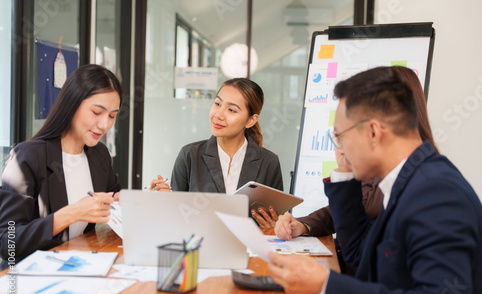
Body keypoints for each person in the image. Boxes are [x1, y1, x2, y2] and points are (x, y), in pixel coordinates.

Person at [267, 66, 482, 294]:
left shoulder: (436, 194)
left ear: (374, 132)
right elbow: (361, 253)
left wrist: (327, 286)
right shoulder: (408, 181)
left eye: (340, 136)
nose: (338, 148)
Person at [271, 66, 439, 240]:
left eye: (343, 135)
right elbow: (355, 234)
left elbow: (360, 210)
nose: (341, 145)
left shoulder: (426, 187)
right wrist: (303, 225)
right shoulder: (396, 167)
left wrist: (346, 175)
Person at [0, 64, 121, 267]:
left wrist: (132, 200)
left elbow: (114, 197)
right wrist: (72, 213)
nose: (105, 125)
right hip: (31, 280)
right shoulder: (27, 157)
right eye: (97, 112)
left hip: (79, 268)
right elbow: (7, 242)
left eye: (112, 115)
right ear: (71, 104)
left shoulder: (99, 154)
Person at [150, 78, 283, 219]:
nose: (218, 114)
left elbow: (277, 221)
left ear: (251, 120)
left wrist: (274, 225)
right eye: (217, 104)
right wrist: (164, 201)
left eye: (231, 110)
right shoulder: (189, 155)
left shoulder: (269, 162)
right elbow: (177, 217)